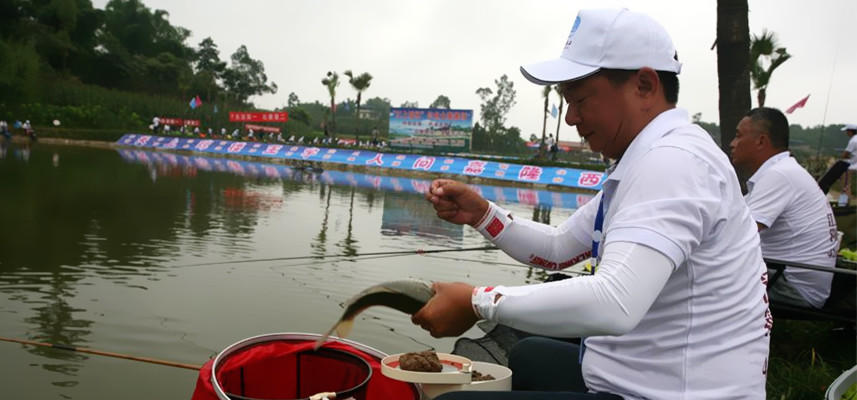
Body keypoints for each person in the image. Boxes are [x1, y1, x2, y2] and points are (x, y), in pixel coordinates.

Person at [414, 8, 770, 399]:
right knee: (530, 354)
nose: (571, 118)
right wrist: (483, 215)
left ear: (645, 85)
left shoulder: (674, 162)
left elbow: (615, 302)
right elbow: (558, 248)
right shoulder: (647, 158)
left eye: (580, 99)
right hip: (640, 376)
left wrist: (477, 302)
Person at [730, 107, 838, 309]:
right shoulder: (783, 171)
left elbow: (736, 234)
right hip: (791, 278)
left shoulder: (779, 175)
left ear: (761, 141)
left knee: (699, 276)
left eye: (738, 136)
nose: (732, 144)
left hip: (793, 287)